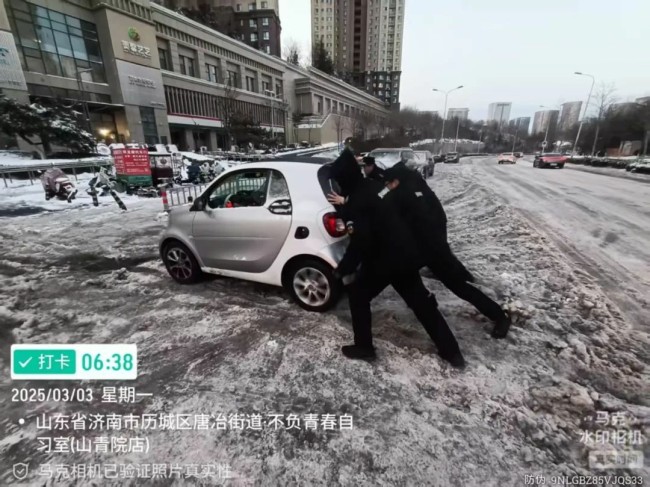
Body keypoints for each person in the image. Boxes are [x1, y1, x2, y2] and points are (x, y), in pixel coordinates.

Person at [326, 148, 466, 368]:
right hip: (407, 253)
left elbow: (360, 243)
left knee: (358, 295)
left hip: (384, 260)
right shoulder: (376, 186)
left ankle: (364, 347)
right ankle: (452, 352)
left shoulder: (356, 202)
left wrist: (341, 270)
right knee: (421, 303)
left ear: (344, 179)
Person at [382, 163, 512, 339]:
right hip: (425, 248)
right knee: (404, 278)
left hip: (432, 250)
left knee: (458, 287)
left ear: (395, 181)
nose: (387, 188)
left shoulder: (407, 195)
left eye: (388, 185)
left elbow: (401, 216)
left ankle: (500, 316)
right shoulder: (414, 188)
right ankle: (426, 301)